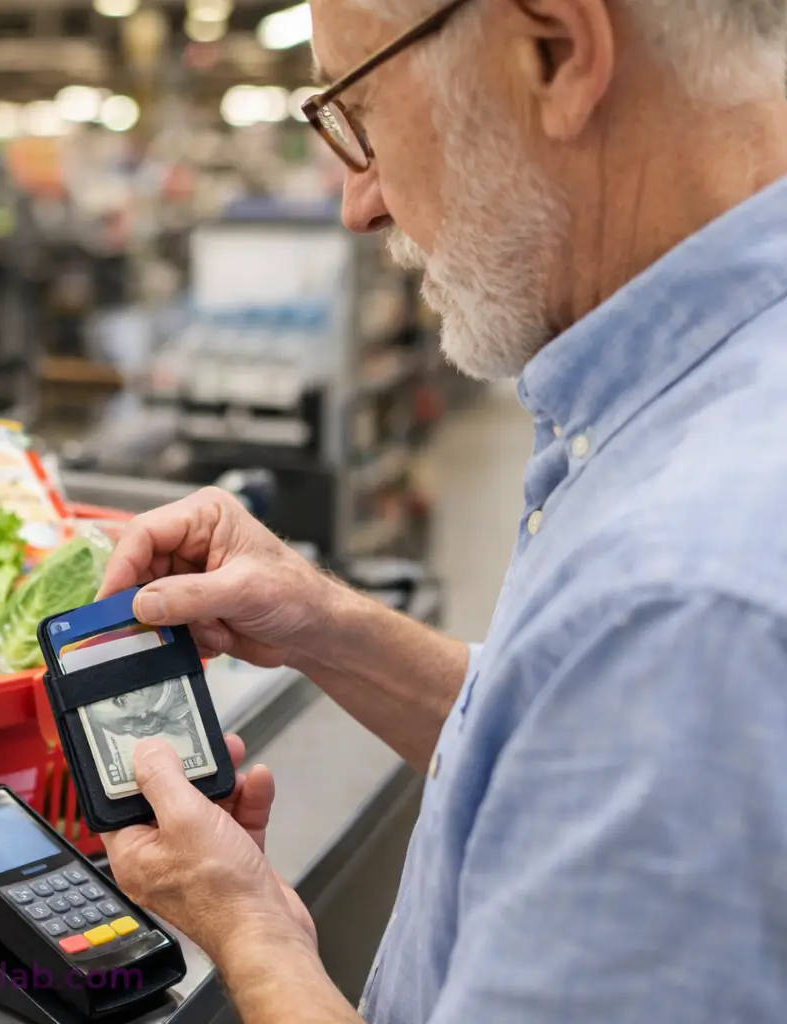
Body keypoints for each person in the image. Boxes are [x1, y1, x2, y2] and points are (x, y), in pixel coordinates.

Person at [97, 0, 787, 1020]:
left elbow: (643, 665)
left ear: (553, 51)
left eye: (360, 112)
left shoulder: (681, 602)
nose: (356, 203)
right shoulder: (700, 399)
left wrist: (250, 926)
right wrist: (325, 623)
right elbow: (564, 735)